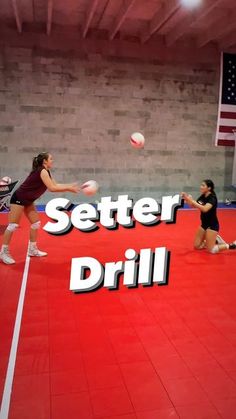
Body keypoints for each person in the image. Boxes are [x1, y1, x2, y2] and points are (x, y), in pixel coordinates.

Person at [0, 152, 79, 265]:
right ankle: (3, 253)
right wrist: (68, 189)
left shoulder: (46, 171)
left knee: (36, 223)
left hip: (28, 200)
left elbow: (55, 184)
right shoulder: (42, 171)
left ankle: (32, 249)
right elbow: (52, 188)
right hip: (19, 198)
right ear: (45, 161)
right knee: (12, 225)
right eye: (51, 158)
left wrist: (70, 185)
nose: (53, 160)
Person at [182, 179, 236, 254]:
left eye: (203, 185)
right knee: (197, 246)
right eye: (201, 185)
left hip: (212, 225)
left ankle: (232, 245)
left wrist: (193, 201)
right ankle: (215, 239)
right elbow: (194, 205)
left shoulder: (212, 198)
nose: (201, 187)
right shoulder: (203, 196)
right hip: (204, 224)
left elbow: (204, 209)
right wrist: (187, 200)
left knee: (212, 250)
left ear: (209, 188)